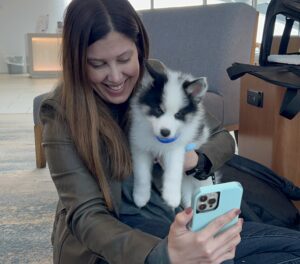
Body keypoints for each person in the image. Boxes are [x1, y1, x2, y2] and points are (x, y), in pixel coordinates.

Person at [40, 0, 300, 263]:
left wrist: (195, 160)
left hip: (177, 223)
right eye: (98, 64)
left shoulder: (157, 77)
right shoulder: (60, 113)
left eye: (124, 59)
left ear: (139, 47)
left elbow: (221, 138)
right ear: (77, 62)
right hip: (119, 249)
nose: (116, 77)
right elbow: (88, 217)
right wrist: (166, 254)